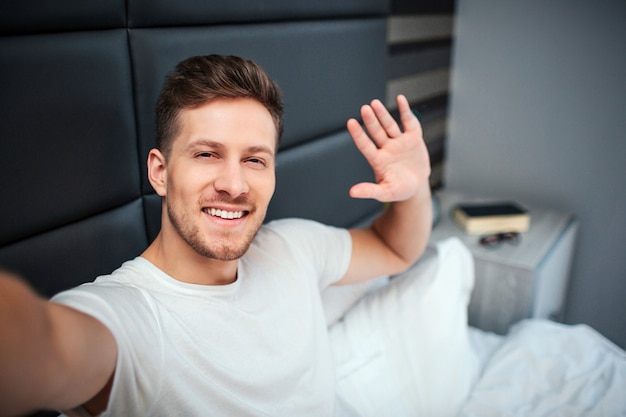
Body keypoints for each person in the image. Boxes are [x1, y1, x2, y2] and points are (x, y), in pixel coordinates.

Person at [0, 54, 432, 417]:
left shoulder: (292, 247)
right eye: (207, 154)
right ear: (160, 172)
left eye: (255, 160)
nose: (235, 184)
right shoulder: (131, 319)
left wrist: (417, 186)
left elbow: (396, 249)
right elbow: (43, 347)